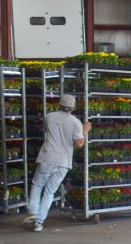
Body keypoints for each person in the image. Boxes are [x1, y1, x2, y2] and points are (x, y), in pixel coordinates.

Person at [25, 94, 91, 232]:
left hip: (47, 157)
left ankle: (33, 211)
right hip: (63, 162)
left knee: (37, 184)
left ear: (59, 104)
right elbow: (79, 144)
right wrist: (84, 131)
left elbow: (46, 131)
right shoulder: (76, 122)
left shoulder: (49, 117)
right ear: (73, 107)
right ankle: (39, 222)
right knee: (49, 192)